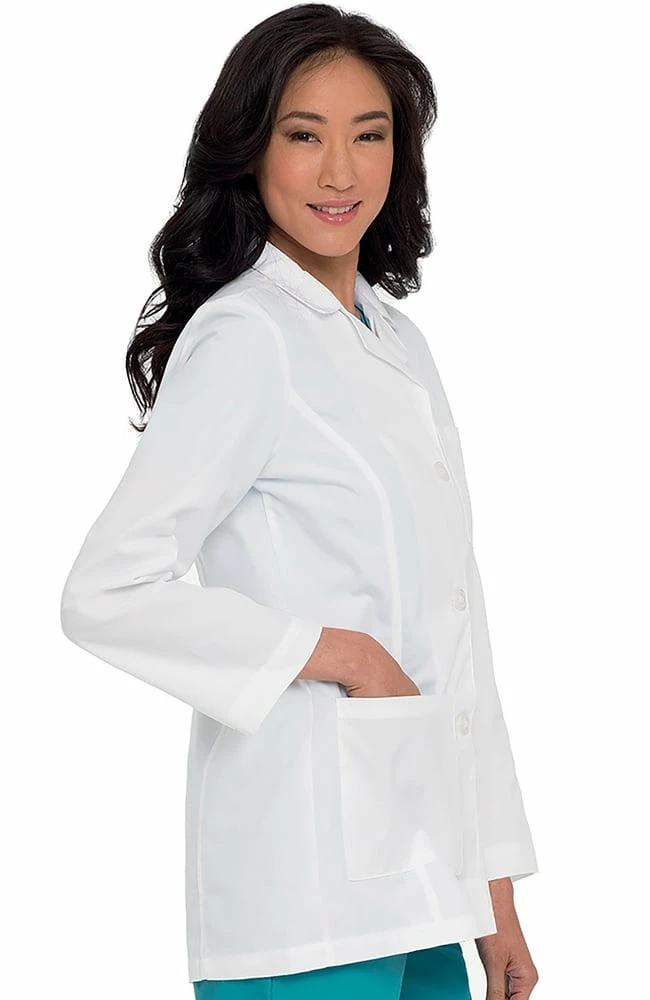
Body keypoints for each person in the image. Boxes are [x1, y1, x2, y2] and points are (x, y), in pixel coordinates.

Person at [59, 4, 539, 998]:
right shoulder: (247, 335)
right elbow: (105, 592)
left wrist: (494, 894)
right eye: (304, 134)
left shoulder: (397, 343)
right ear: (251, 150)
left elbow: (458, 635)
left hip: (425, 888)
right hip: (301, 896)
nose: (339, 172)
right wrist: (344, 655)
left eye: (370, 135)